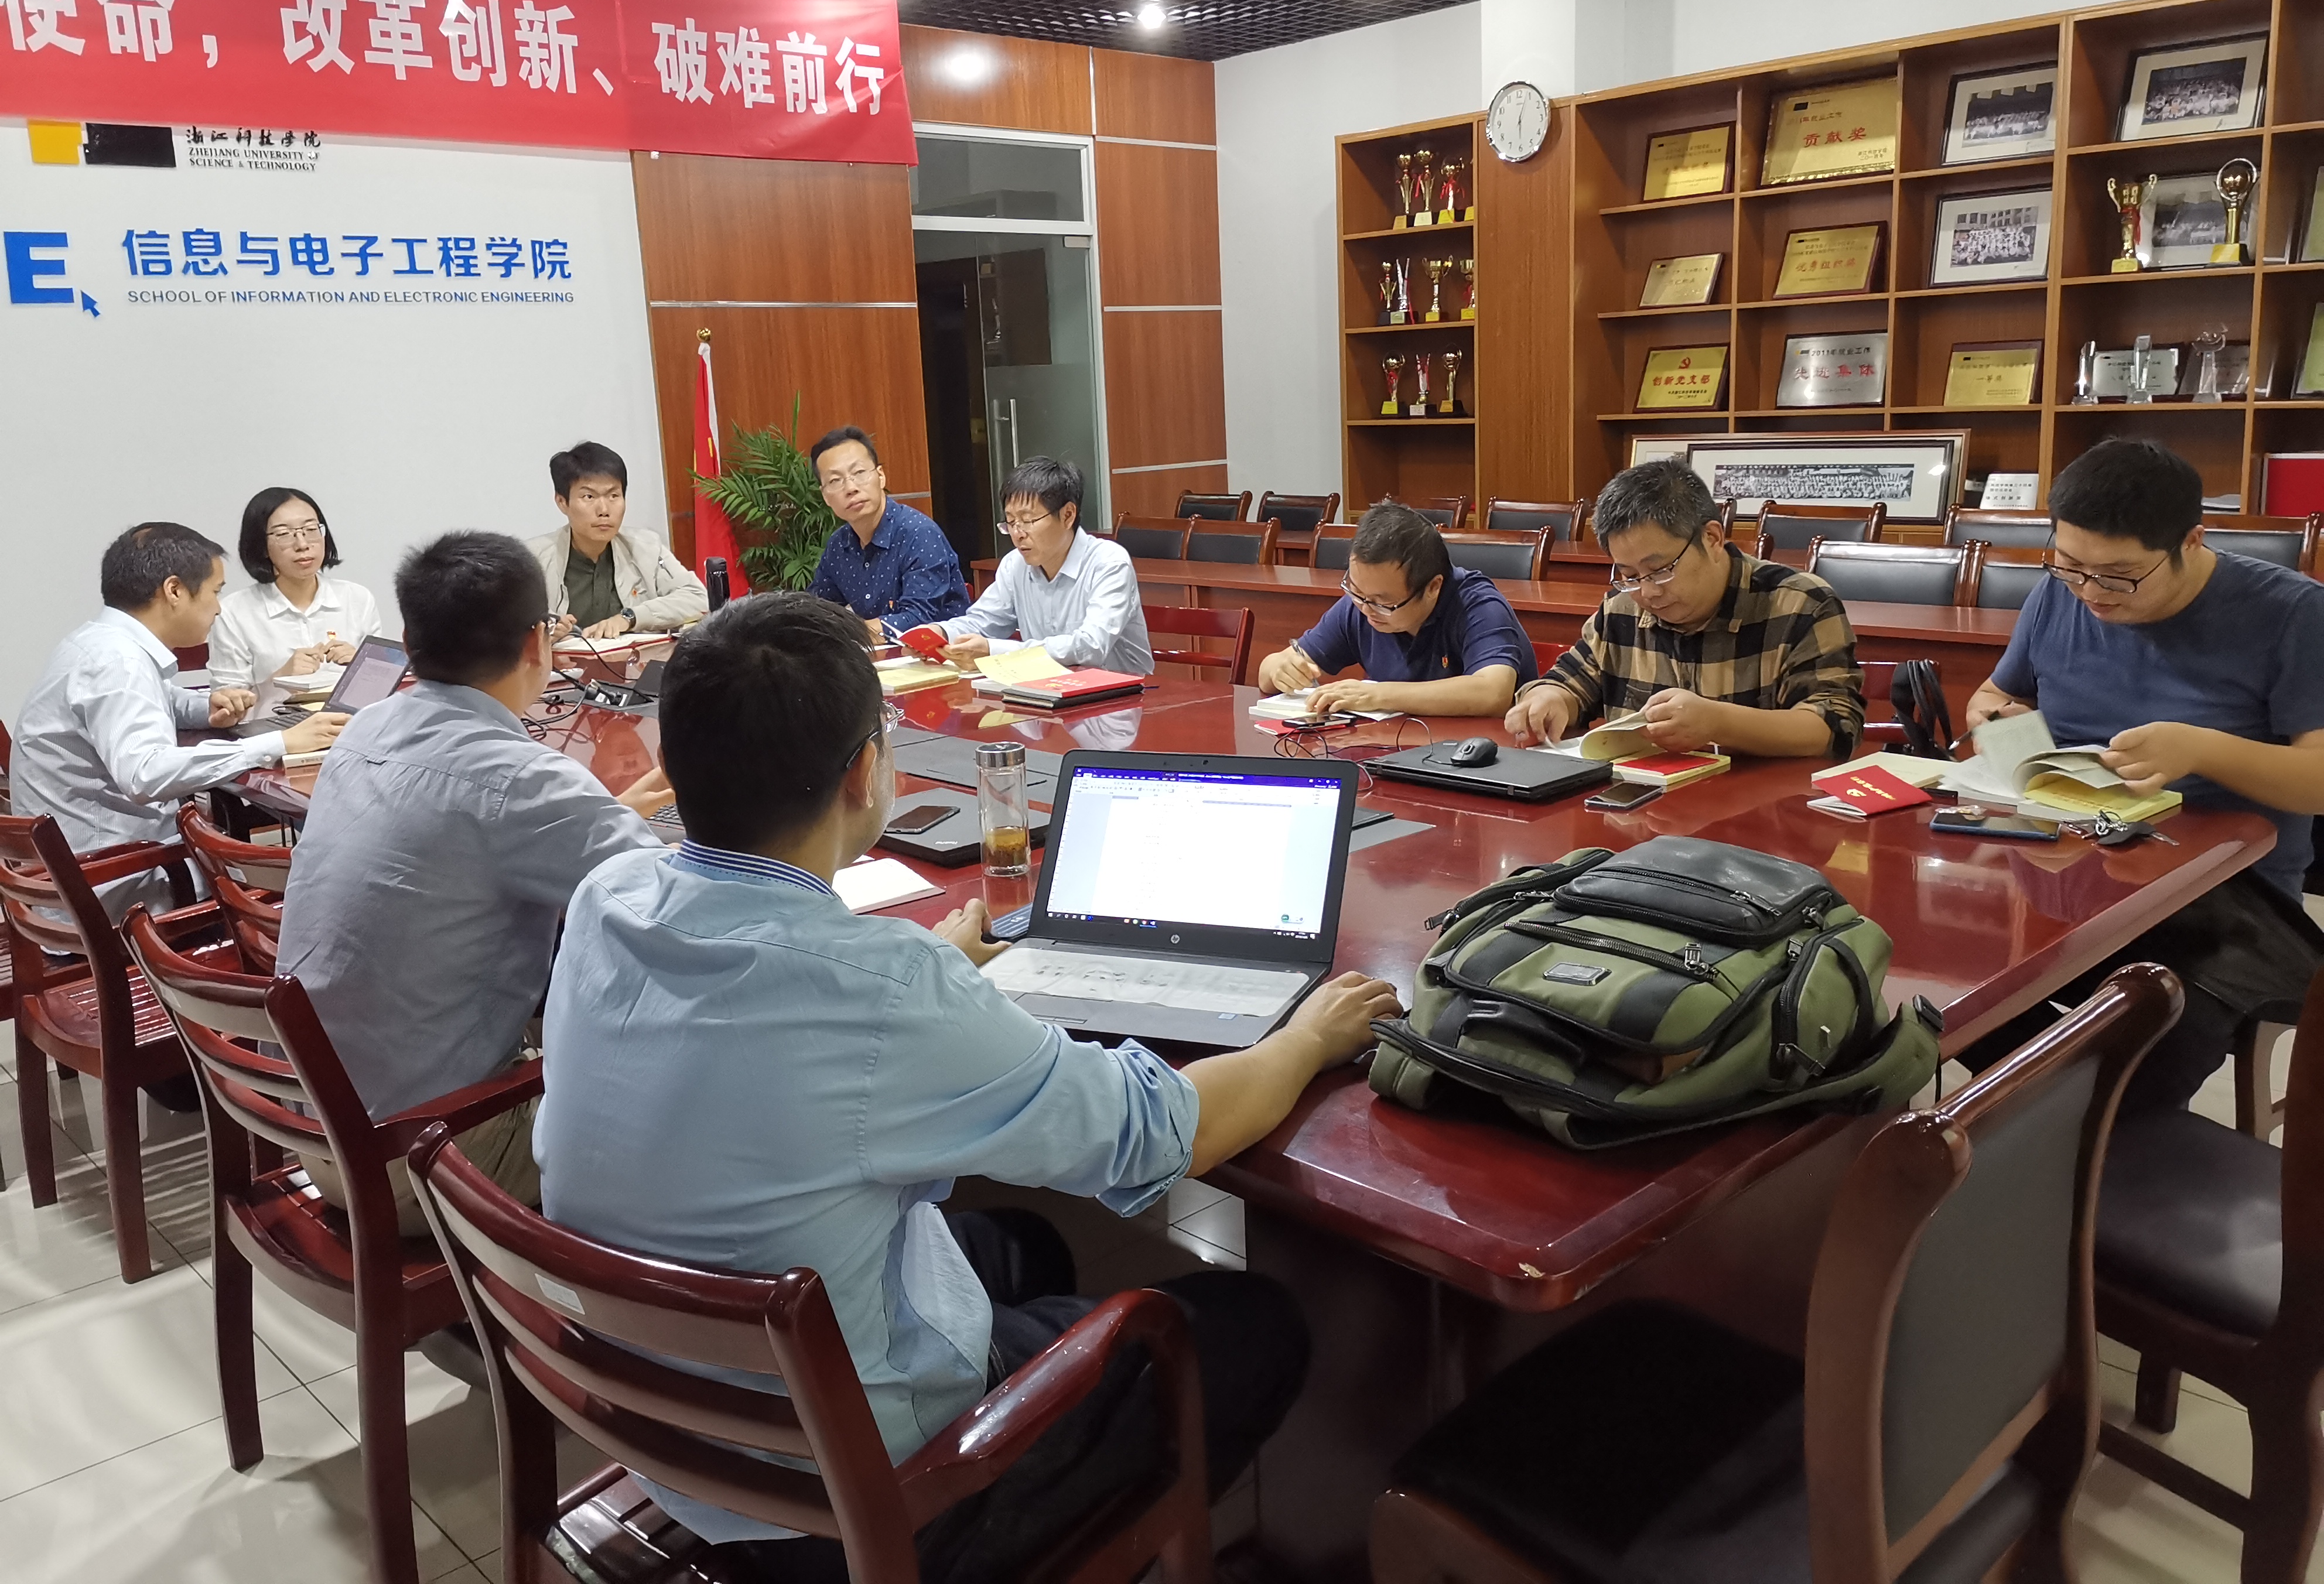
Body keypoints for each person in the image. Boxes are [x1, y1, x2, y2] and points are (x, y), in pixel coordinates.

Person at [535, 593, 1400, 1579]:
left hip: (668, 1426)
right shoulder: (884, 991)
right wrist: (1309, 1038)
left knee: (1027, 1243)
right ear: (865, 772)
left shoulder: (607, 897)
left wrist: (930, 983)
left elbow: (782, 1026)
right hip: (861, 1508)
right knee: (1252, 1327)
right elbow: (1170, 1133)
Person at [278, 531, 675, 1231]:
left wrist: (604, 816)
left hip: (314, 1130)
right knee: (695, 1094)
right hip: (426, 1158)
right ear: (537, 644)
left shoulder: (364, 731)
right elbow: (677, 917)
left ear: (408, 642)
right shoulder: (522, 779)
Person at [1959, 439, 2324, 1112]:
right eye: (2069, 566)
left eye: (2118, 575)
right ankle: (2041, 1127)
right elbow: (1995, 694)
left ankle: (2074, 1134)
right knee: (1942, 1000)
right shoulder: (2057, 595)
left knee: (2140, 1062)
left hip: (2217, 905)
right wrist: (1993, 718)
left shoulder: (2292, 613)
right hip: (2065, 870)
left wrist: (2200, 751)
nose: (2090, 593)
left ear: (2191, 541)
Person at [13, 521, 346, 918]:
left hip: (80, 870)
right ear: (174, 591)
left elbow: (157, 699)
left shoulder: (98, 642)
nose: (219, 607)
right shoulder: (118, 663)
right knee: (312, 891)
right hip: (117, 887)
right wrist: (278, 743)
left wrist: (207, 709)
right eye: (215, 592)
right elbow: (146, 774)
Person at [1503, 459, 1865, 758]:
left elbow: (1833, 726)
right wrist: (1548, 700)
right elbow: (1570, 683)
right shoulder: (1621, 609)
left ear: (1712, 538)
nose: (1647, 592)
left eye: (1660, 570)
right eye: (1630, 575)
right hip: (1640, 809)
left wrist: (1719, 723)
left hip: (1762, 810)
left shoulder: (1800, 604)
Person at [1253, 501, 1534, 716]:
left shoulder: (1478, 605)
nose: (1367, 609)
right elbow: (1269, 672)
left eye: (1384, 602)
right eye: (1356, 591)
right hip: (1394, 750)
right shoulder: (1360, 605)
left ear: (1433, 587)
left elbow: (1493, 693)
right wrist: (1280, 669)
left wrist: (1377, 695)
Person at [937, 456, 1153, 676]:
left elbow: (1090, 646)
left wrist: (995, 651)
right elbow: (984, 621)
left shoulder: (1108, 562)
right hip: (1046, 685)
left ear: (1068, 515)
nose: (1017, 534)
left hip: (1124, 690)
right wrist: (940, 633)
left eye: (1028, 521)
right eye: (1011, 522)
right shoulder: (1015, 564)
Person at [526, 441, 706, 640]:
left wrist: (630, 618)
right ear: (562, 502)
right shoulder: (533, 560)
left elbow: (698, 598)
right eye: (589, 497)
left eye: (613, 496)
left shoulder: (646, 547)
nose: (604, 510)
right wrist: (545, 634)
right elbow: (510, 627)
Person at [208, 487, 384, 689]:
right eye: (284, 534)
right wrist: (281, 678)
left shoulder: (358, 599)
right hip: (273, 711)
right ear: (262, 547)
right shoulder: (233, 613)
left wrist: (362, 668)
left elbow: (380, 688)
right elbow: (229, 700)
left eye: (311, 530)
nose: (302, 544)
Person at [805, 425, 969, 639]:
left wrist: (851, 633)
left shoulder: (919, 534)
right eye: (835, 481)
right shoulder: (839, 545)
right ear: (825, 496)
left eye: (859, 473)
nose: (851, 488)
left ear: (881, 476)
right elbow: (817, 612)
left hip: (941, 653)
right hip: (879, 655)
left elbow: (919, 618)